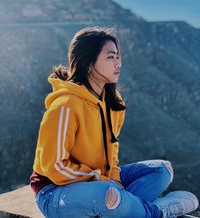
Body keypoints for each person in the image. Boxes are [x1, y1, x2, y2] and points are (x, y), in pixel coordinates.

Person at [30, 27, 199, 218]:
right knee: (107, 195)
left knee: (162, 170)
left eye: (118, 56)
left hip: (100, 182)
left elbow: (112, 153)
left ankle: (124, 207)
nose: (118, 63)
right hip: (54, 191)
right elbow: (54, 166)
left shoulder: (111, 101)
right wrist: (102, 181)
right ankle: (158, 211)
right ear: (88, 63)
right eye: (110, 57)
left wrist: (114, 179)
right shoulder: (66, 105)